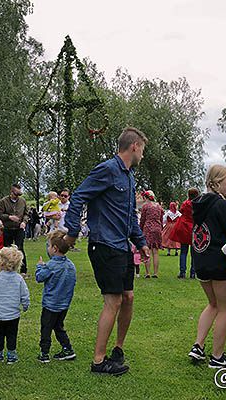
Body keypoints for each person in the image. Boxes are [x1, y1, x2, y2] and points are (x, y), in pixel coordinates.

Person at [63, 127, 150, 376]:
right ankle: (99, 361)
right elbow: (78, 196)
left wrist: (141, 242)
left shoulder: (129, 177)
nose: (142, 154)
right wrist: (72, 230)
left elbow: (129, 216)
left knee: (129, 297)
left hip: (122, 246)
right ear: (134, 146)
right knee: (113, 301)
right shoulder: (108, 170)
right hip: (104, 245)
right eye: (142, 148)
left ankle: (118, 349)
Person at [188, 165, 226, 369]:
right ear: (218, 182)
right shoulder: (221, 204)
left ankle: (198, 346)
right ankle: (218, 357)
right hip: (220, 263)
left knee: (213, 304)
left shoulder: (198, 203)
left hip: (201, 261)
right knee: (225, 309)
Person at [0, 245, 30, 364]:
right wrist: (25, 305)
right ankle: (11, 355)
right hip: (13, 315)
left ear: (1, 263)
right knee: (11, 335)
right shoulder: (19, 279)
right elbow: (25, 294)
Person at [35, 230, 77, 363]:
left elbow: (39, 277)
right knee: (58, 327)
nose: (48, 248)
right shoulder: (70, 265)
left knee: (46, 328)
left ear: (54, 248)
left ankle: (44, 353)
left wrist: (40, 266)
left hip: (50, 304)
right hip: (64, 304)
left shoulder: (51, 265)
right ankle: (67, 348)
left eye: (48, 245)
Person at [0, 184, 28, 274]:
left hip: (19, 229)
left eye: (18, 194)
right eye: (15, 194)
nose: (17, 196)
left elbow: (26, 214)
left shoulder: (23, 201)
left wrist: (24, 222)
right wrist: (9, 217)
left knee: (20, 248)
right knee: (6, 249)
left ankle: (23, 270)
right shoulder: (3, 201)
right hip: (8, 228)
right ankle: (5, 269)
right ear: (11, 192)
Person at [171, 188, 199, 279]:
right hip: (194, 228)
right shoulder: (198, 204)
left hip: (184, 228)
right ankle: (193, 273)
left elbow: (181, 211)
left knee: (183, 252)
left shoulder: (185, 203)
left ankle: (182, 272)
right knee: (194, 253)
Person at [139, 190, 163, 278]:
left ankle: (148, 273)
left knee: (147, 251)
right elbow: (161, 219)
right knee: (156, 252)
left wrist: (140, 229)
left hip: (147, 229)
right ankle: (155, 273)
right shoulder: (159, 207)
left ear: (145, 197)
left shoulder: (145, 207)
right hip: (157, 229)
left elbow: (142, 220)